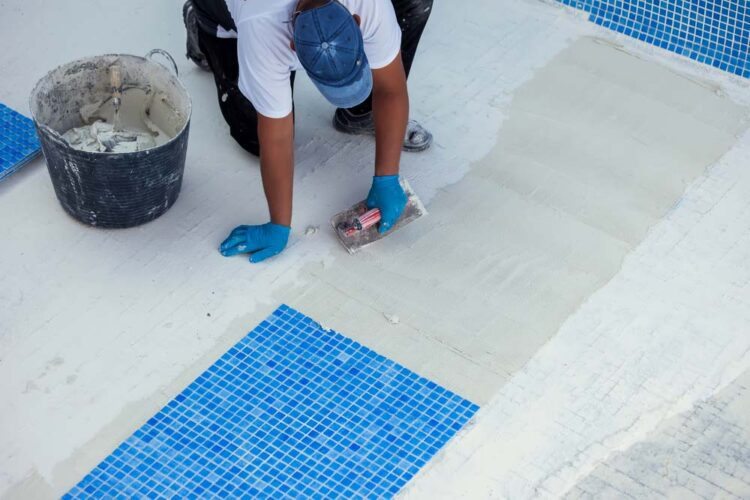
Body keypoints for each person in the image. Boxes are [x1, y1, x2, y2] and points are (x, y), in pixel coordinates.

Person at [183, 0, 434, 263]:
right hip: (229, 11)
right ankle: (204, 29)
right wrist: (278, 225)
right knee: (252, 135)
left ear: (356, 20)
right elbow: (276, 139)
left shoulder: (367, 4)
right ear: (294, 46)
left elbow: (390, 89)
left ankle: (359, 114)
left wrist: (387, 176)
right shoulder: (261, 34)